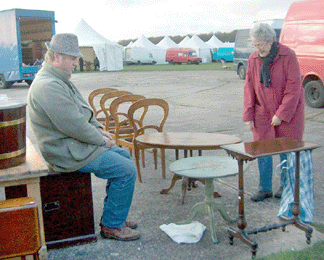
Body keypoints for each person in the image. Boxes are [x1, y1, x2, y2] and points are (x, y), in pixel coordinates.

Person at [27, 33, 140, 241]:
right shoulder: (48, 85)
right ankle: (112, 226)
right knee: (126, 170)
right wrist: (101, 140)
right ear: (57, 56)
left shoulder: (59, 79)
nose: (76, 62)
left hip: (73, 144)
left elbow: (83, 112)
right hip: (64, 151)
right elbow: (74, 125)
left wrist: (100, 129)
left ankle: (115, 215)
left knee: (123, 157)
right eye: (73, 58)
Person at [243, 23, 305, 202]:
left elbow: (294, 88)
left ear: (271, 41)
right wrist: (248, 115)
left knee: (286, 150)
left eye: (261, 45)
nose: (258, 49)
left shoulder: (288, 56)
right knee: (262, 150)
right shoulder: (253, 58)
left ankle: (286, 186)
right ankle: (264, 188)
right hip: (262, 111)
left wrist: (281, 114)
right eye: (255, 45)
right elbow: (249, 87)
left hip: (288, 113)